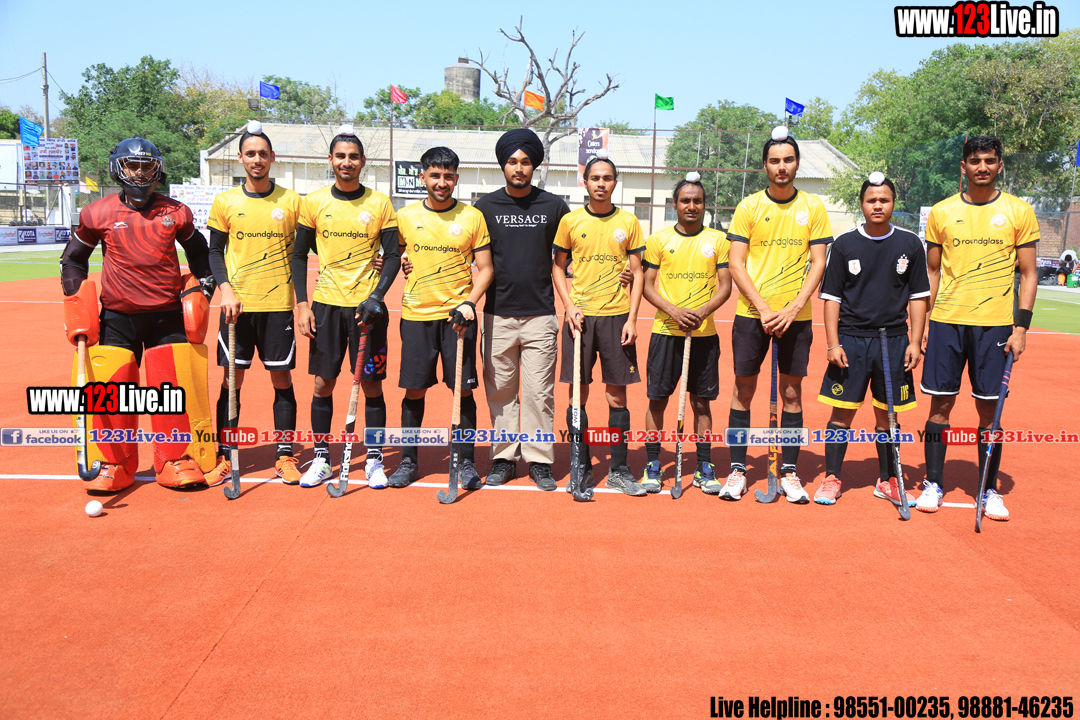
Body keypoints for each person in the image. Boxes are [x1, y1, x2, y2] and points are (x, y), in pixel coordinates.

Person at [59, 136, 216, 491]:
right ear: (118, 168)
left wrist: (204, 288)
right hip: (118, 318)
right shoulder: (96, 213)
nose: (140, 173)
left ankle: (174, 460)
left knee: (171, 393)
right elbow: (73, 260)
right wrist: (76, 299)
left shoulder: (177, 212)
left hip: (167, 317)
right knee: (112, 395)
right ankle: (115, 463)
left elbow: (199, 252)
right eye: (133, 166)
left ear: (157, 170)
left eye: (147, 166)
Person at [918, 135, 1038, 520]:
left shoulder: (1019, 211)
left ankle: (988, 490)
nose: (982, 167)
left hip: (995, 326)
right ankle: (933, 483)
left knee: (990, 410)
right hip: (946, 322)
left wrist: (1021, 329)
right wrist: (923, 323)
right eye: (975, 160)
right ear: (963, 167)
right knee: (940, 405)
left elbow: (1029, 273)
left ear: (1000, 165)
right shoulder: (942, 211)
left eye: (989, 160)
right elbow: (932, 272)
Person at [724, 126, 832, 503]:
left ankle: (788, 472)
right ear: (765, 166)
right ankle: (737, 470)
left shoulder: (813, 207)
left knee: (791, 393)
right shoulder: (749, 207)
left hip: (795, 318)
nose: (781, 166)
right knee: (743, 390)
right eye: (774, 161)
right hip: (752, 315)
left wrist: (793, 308)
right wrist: (765, 308)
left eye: (788, 160)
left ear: (797, 163)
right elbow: (736, 264)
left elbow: (819, 262)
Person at [291, 125, 400, 488]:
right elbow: (298, 255)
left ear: (363, 162)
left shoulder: (379, 203)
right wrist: (303, 305)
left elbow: (393, 255)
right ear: (331, 160)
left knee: (371, 385)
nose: (346, 162)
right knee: (323, 384)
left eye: (353, 157)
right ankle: (322, 458)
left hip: (368, 310)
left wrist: (376, 297)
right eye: (340, 156)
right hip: (326, 306)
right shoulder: (314, 202)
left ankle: (374, 459)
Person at [812, 172, 929, 505]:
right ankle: (832, 477)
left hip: (893, 341)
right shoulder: (844, 244)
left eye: (884, 200)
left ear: (893, 203)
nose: (878, 205)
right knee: (841, 414)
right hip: (851, 341)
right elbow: (831, 298)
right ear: (862, 204)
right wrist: (833, 343)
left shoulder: (910, 244)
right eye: (871, 200)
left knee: (888, 416)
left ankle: (888, 480)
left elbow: (918, 296)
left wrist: (915, 341)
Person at [386, 146, 493, 489]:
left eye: (448, 176)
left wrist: (469, 303)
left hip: (457, 318)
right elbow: (391, 256)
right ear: (423, 178)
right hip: (416, 315)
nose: (441, 182)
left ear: (456, 179)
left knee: (463, 391)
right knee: (414, 390)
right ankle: (408, 460)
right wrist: (401, 261)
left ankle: (465, 462)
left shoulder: (472, 217)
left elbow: (486, 269)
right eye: (435, 175)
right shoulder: (405, 216)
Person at [206, 121, 302, 485]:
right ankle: (225, 455)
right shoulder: (226, 201)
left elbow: (313, 247)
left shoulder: (292, 202)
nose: (257, 159)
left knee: (282, 379)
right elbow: (215, 252)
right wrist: (226, 290)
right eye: (250, 153)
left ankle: (285, 455)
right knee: (231, 381)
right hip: (237, 308)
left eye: (263, 153)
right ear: (240, 158)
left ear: (272, 157)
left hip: (277, 305)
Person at [474, 129, 570, 490]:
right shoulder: (484, 208)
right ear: (504, 165)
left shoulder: (554, 207)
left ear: (534, 166)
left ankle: (539, 460)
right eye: (513, 161)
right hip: (497, 315)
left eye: (526, 162)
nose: (519, 168)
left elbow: (574, 255)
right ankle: (503, 458)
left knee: (539, 393)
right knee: (500, 393)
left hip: (541, 315)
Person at [551, 150, 647, 495]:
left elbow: (637, 273)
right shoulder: (570, 221)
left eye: (607, 178)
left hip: (617, 317)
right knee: (577, 394)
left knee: (616, 396)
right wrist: (568, 305)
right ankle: (581, 465)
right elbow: (557, 267)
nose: (601, 183)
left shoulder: (629, 222)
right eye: (595, 178)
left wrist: (632, 318)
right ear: (585, 182)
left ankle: (619, 469)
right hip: (580, 319)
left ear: (615, 183)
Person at [640, 173, 732, 494]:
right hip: (665, 332)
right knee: (657, 401)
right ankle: (653, 463)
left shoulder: (719, 240)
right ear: (675, 204)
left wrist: (702, 312)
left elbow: (725, 287)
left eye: (697, 201)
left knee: (702, 404)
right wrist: (675, 312)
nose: (691, 206)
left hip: (703, 335)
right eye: (685, 201)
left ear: (704, 205)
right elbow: (647, 286)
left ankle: (704, 465)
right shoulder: (658, 240)